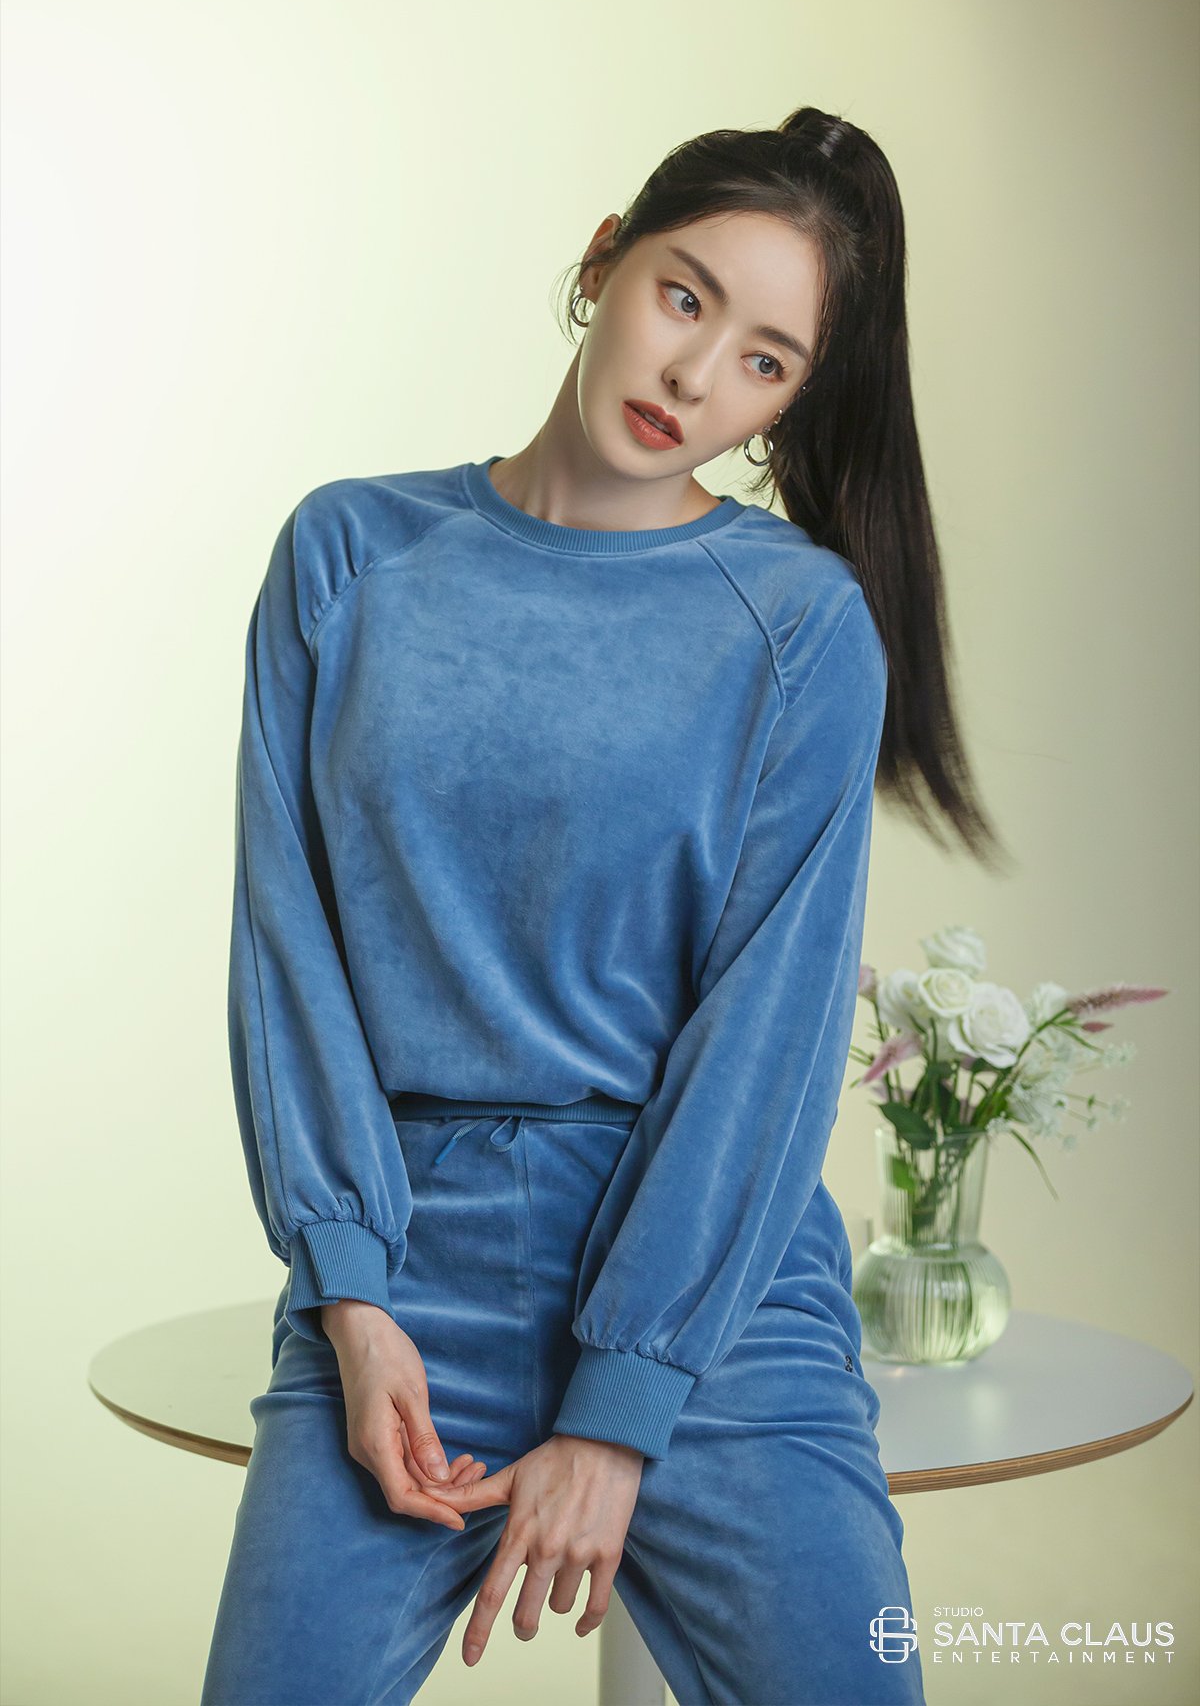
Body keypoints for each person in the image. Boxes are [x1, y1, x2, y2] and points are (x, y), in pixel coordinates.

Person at [200, 105, 1008, 1706]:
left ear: (789, 404)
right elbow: (286, 951)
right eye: (684, 296)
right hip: (400, 1268)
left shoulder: (798, 625)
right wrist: (350, 1298)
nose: (694, 376)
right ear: (603, 265)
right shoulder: (350, 556)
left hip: (710, 1294)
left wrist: (622, 1410)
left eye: (765, 361)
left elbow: (768, 1037)